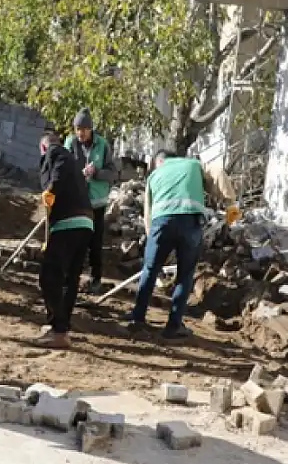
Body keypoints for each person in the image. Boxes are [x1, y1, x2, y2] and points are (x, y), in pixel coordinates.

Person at [127, 150, 240, 339]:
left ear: (160, 161)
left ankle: (137, 319)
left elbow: (148, 213)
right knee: (185, 274)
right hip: (190, 222)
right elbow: (218, 173)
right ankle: (173, 326)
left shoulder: (154, 175)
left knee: (150, 269)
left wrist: (153, 242)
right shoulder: (194, 165)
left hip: (161, 223)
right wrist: (231, 204)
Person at [36, 130, 95, 348]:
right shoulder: (73, 163)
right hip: (86, 223)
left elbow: (57, 168)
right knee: (70, 279)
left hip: (68, 223)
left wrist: (51, 189)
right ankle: (61, 327)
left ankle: (59, 329)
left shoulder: (56, 152)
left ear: (43, 147)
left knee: (49, 276)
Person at [64, 108, 118, 293]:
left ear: (91, 129)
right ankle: (71, 277)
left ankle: (96, 279)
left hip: (96, 202)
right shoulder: (71, 143)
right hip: (77, 201)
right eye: (78, 129)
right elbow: (63, 166)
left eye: (84, 129)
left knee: (95, 242)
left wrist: (96, 173)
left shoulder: (102, 145)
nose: (81, 133)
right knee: (73, 241)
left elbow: (112, 174)